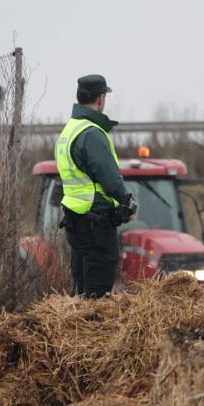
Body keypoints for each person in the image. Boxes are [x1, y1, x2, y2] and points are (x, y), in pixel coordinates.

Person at [54, 73, 135, 297]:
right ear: (101, 98)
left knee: (81, 285)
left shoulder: (69, 130)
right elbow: (109, 178)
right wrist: (127, 201)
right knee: (97, 288)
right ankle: (91, 327)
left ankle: (79, 327)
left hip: (76, 219)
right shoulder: (92, 133)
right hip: (96, 221)